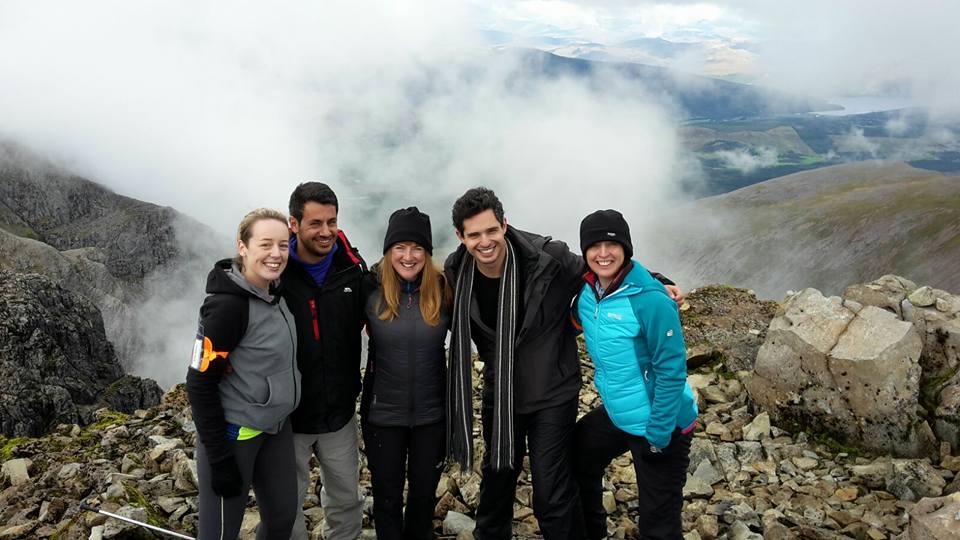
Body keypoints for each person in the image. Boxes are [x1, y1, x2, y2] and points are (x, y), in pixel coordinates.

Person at [444, 188, 683, 540]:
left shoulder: (547, 259)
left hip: (551, 393)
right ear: (461, 237)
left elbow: (606, 266)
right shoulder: (456, 272)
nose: (485, 242)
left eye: (491, 230)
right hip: (502, 393)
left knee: (551, 490)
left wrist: (658, 281)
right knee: (496, 481)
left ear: (504, 225)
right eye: (474, 235)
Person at [572, 209, 698, 540]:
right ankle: (592, 531)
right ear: (584, 252)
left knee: (658, 519)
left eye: (611, 245)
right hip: (621, 411)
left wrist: (658, 433)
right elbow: (568, 323)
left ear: (626, 248)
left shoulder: (651, 301)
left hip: (663, 421)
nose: (603, 254)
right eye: (594, 246)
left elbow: (671, 371)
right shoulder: (587, 295)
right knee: (577, 454)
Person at [186, 208, 301, 540]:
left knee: (281, 520)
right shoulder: (227, 308)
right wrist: (219, 457)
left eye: (283, 245)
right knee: (220, 534)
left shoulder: (275, 292)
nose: (276, 254)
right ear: (243, 247)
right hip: (235, 435)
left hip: (275, 427)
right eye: (266, 244)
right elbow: (199, 381)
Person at [359, 207, 452, 540]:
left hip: (433, 415)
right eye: (400, 247)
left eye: (417, 248)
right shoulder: (368, 289)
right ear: (388, 251)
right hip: (383, 415)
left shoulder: (444, 289)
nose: (409, 256)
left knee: (423, 498)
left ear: (427, 253)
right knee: (386, 497)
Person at [282, 182, 367, 540]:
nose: (326, 231)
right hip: (288, 417)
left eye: (332, 222)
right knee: (286, 504)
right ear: (293, 223)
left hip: (339, 413)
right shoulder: (276, 273)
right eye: (315, 223)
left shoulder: (353, 269)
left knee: (347, 498)